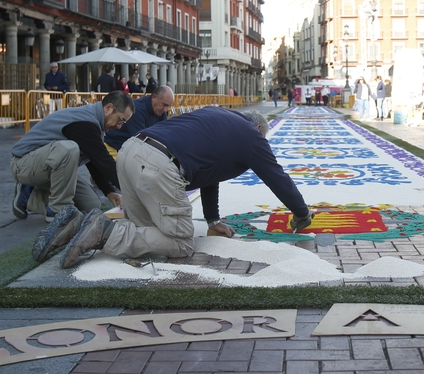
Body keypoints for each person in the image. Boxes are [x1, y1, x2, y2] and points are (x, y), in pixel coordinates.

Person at [50, 108, 317, 268]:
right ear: (258, 128)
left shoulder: (218, 117)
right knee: (180, 242)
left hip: (130, 153)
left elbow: (211, 173)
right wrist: (302, 213)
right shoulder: (251, 135)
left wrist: (213, 220)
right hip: (158, 165)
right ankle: (104, 233)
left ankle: (77, 224)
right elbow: (276, 176)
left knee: (149, 236)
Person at [11, 90, 133, 234]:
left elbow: (94, 161)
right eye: (121, 120)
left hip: (47, 167)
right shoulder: (85, 121)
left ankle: (28, 197)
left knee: (91, 204)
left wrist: (109, 191)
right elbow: (104, 161)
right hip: (23, 163)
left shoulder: (96, 125)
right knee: (69, 149)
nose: (120, 126)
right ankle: (58, 211)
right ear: (108, 108)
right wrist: (133, 193)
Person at [103, 85, 175, 158]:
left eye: (168, 106)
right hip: (114, 147)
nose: (166, 110)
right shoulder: (137, 109)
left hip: (131, 149)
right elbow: (141, 141)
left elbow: (165, 136)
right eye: (164, 105)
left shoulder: (161, 111)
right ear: (154, 97)